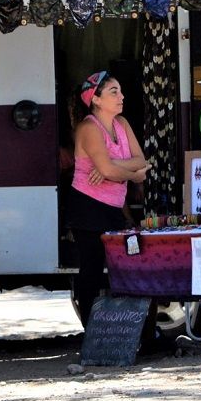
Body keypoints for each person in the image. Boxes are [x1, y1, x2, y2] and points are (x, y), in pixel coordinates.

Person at [66, 70, 150, 328]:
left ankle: (129, 327)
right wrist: (132, 175)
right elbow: (114, 172)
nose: (121, 96)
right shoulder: (89, 128)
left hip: (113, 206)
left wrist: (115, 165)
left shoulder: (122, 124)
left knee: (125, 264)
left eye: (121, 91)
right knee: (91, 269)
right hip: (88, 205)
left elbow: (140, 162)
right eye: (114, 91)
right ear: (96, 99)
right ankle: (91, 330)